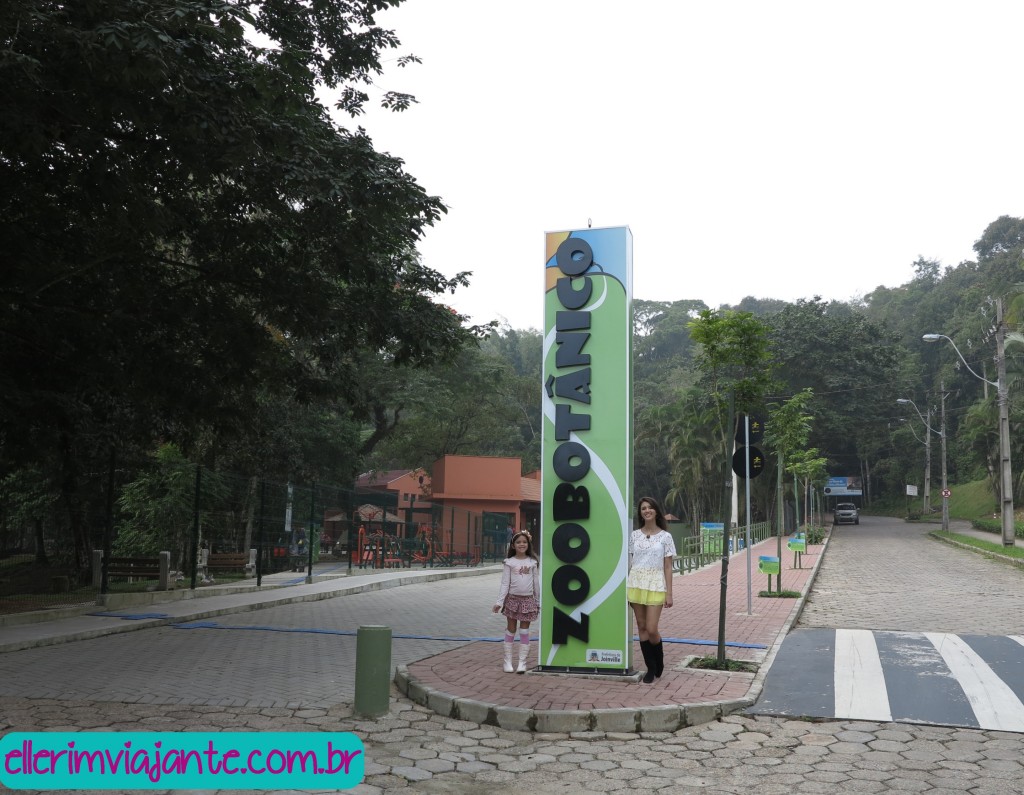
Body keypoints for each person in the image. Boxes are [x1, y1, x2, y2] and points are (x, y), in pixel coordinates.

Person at [628, 496, 676, 683]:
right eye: (643, 508)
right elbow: (630, 561)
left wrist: (669, 593)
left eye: (650, 508)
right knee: (641, 627)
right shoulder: (634, 535)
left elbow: (668, 566)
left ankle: (659, 659)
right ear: (640, 513)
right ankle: (650, 668)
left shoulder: (666, 537)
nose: (646, 511)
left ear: (656, 511)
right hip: (636, 583)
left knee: (651, 628)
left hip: (656, 583)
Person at [492, 530, 540, 674]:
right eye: (518, 542)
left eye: (524, 542)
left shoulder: (532, 562)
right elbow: (505, 584)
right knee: (511, 630)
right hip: (512, 600)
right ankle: (507, 662)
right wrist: (499, 602)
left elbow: (536, 584)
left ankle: (522, 663)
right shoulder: (509, 562)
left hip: (528, 601)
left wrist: (538, 602)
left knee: (524, 631)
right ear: (513, 545)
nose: (521, 544)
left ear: (528, 544)